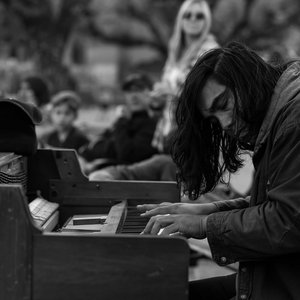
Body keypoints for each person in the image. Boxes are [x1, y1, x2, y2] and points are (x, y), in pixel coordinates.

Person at [138, 41, 300, 299]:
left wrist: (205, 225)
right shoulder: (280, 110)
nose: (224, 124)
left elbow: (288, 222)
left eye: (224, 104)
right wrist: (209, 209)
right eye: (213, 119)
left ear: (247, 81)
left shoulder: (294, 119)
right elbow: (281, 202)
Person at [89, 0, 219, 182]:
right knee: (164, 191)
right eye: (188, 15)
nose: (193, 20)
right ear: (180, 20)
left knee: (181, 194)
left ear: (207, 21)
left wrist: (172, 92)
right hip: (169, 135)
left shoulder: (209, 51)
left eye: (199, 16)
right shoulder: (176, 52)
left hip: (193, 137)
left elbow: (208, 96)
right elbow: (169, 97)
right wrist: (157, 100)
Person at [79, 73, 159, 174]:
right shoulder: (126, 121)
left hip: (126, 177)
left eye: (139, 90)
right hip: (100, 168)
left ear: (151, 93)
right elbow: (100, 143)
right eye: (129, 91)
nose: (133, 96)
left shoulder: (153, 122)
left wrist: (121, 121)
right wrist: (83, 156)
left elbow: (128, 155)